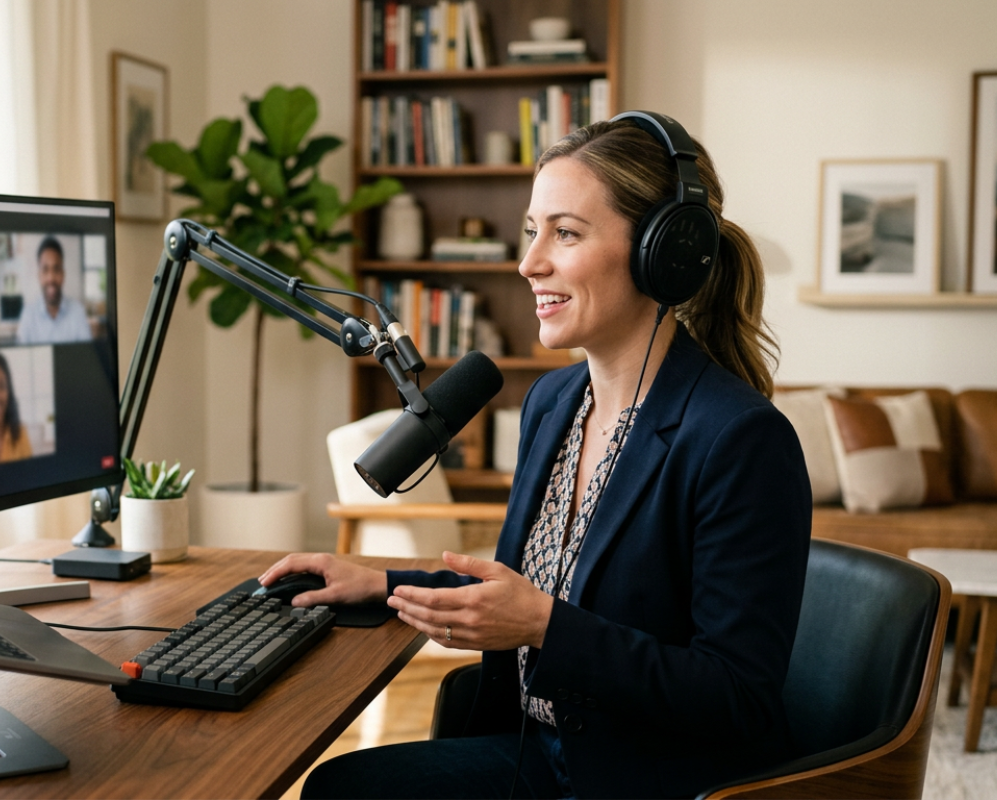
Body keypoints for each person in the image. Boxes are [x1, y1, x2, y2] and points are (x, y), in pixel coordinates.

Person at [266, 115, 812, 800]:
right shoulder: (552, 402)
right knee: (342, 787)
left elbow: (738, 697)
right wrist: (378, 583)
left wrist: (546, 628)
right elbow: (518, 598)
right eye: (532, 230)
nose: (529, 263)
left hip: (644, 777)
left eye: (566, 232)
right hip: (541, 750)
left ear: (661, 253)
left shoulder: (739, 439)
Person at [16, 235, 93, 344]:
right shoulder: (28, 315)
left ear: (63, 274)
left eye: (56, 269)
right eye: (45, 270)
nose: (51, 278)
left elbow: (88, 356)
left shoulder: (77, 312)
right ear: (39, 275)